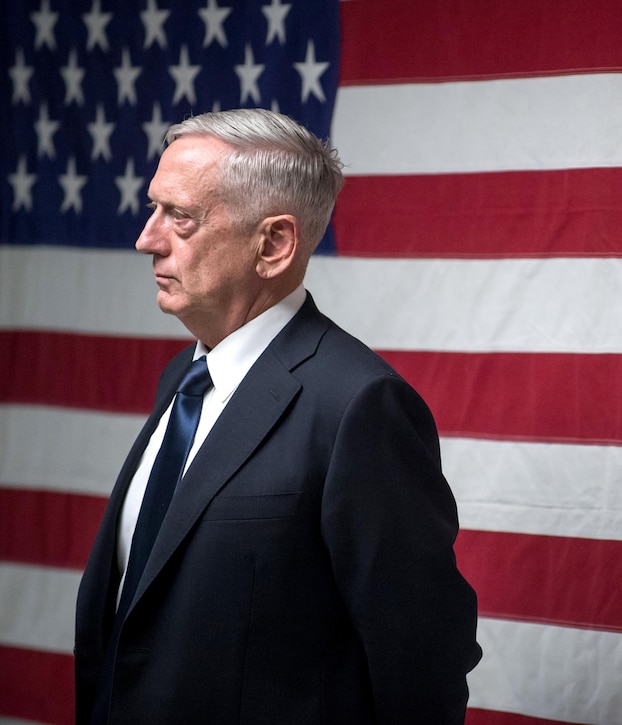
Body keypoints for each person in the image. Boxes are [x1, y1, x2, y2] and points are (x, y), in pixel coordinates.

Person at [74, 108, 482, 724]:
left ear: (273, 244)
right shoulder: (182, 382)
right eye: (155, 209)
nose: (147, 238)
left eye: (180, 217)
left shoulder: (359, 408)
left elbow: (422, 666)